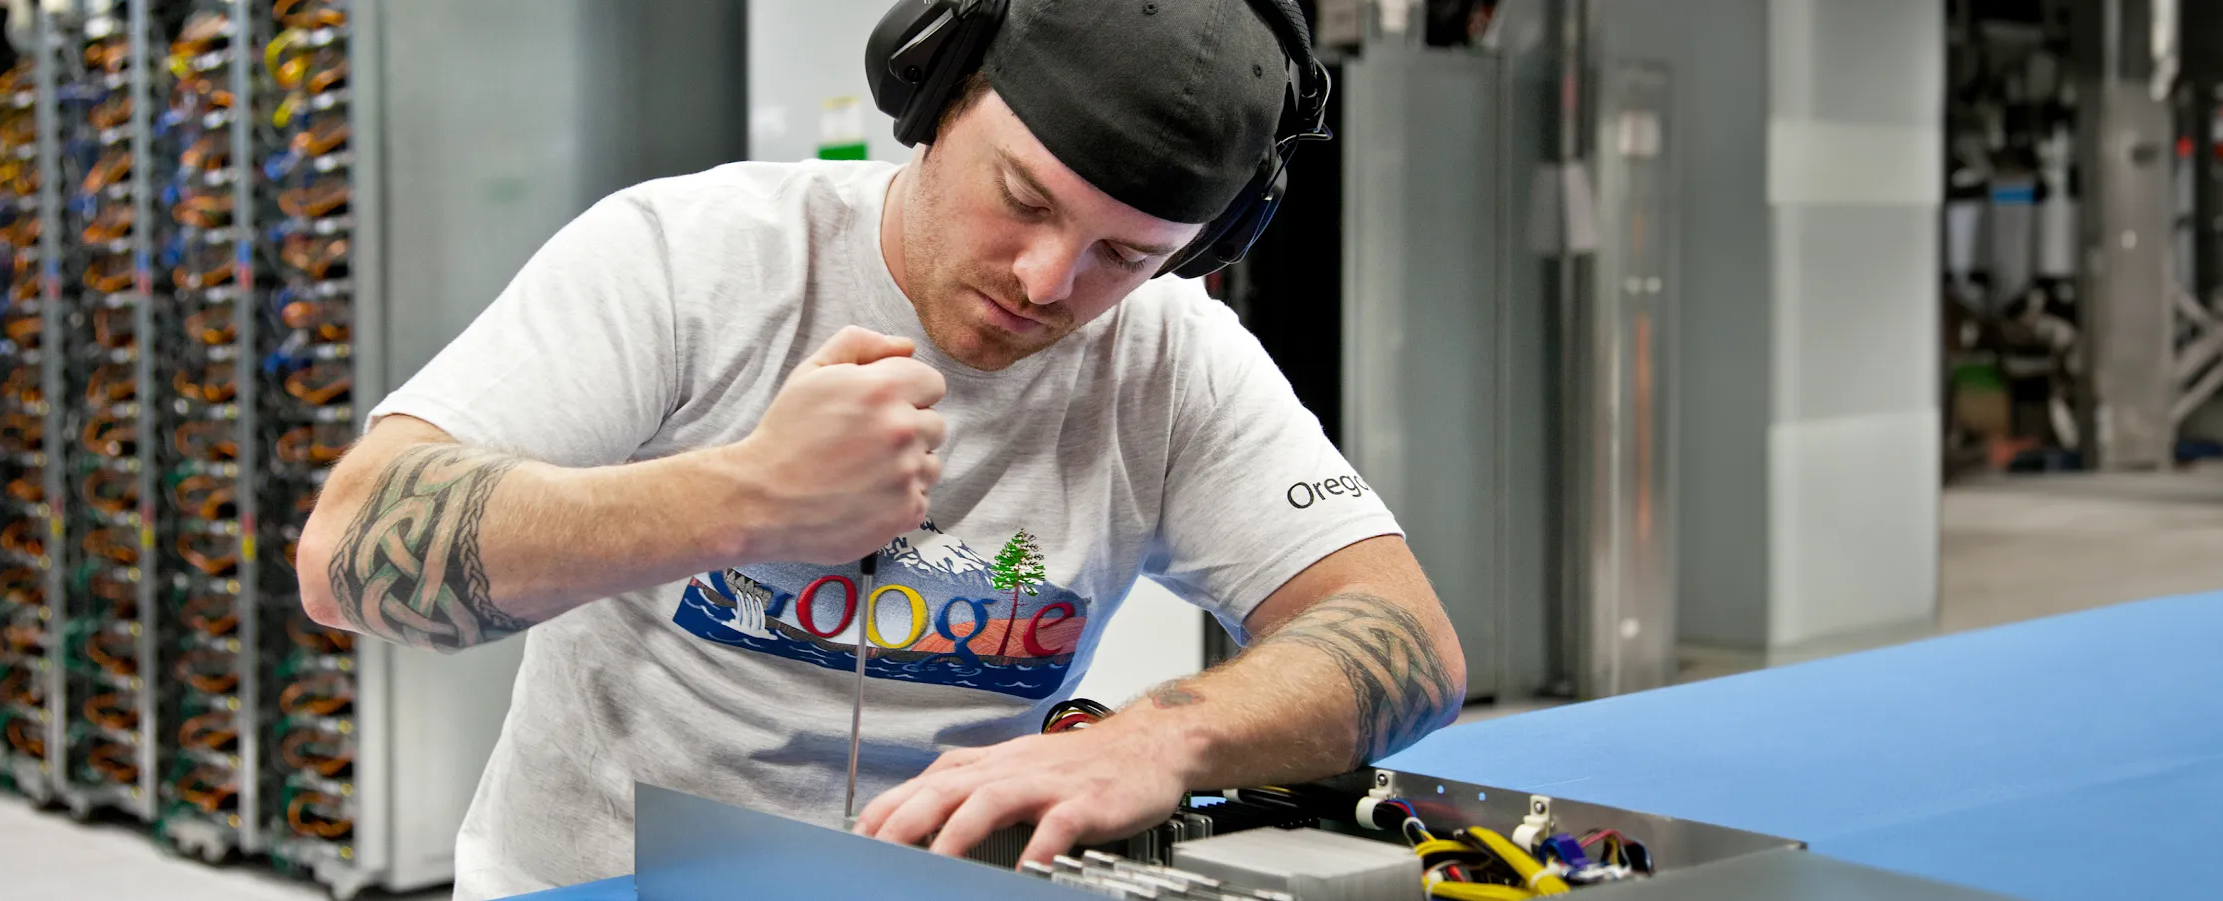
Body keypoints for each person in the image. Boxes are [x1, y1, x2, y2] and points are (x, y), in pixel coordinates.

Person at [293, 0, 1467, 896]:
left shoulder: (1172, 361)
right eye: (1022, 195)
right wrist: (739, 498)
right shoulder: (686, 259)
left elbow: (1408, 639)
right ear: (934, 92)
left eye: (1126, 254)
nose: (1048, 280)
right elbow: (349, 555)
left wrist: (1168, 734)